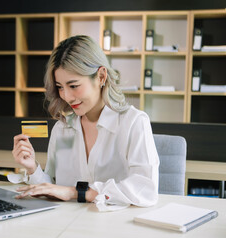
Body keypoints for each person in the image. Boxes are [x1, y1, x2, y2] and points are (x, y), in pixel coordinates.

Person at [12, 35, 159, 210]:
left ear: (101, 76)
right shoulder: (63, 129)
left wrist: (77, 193)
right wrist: (32, 168)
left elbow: (145, 190)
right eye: (60, 87)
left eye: (73, 86)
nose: (66, 96)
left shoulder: (133, 123)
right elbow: (54, 187)